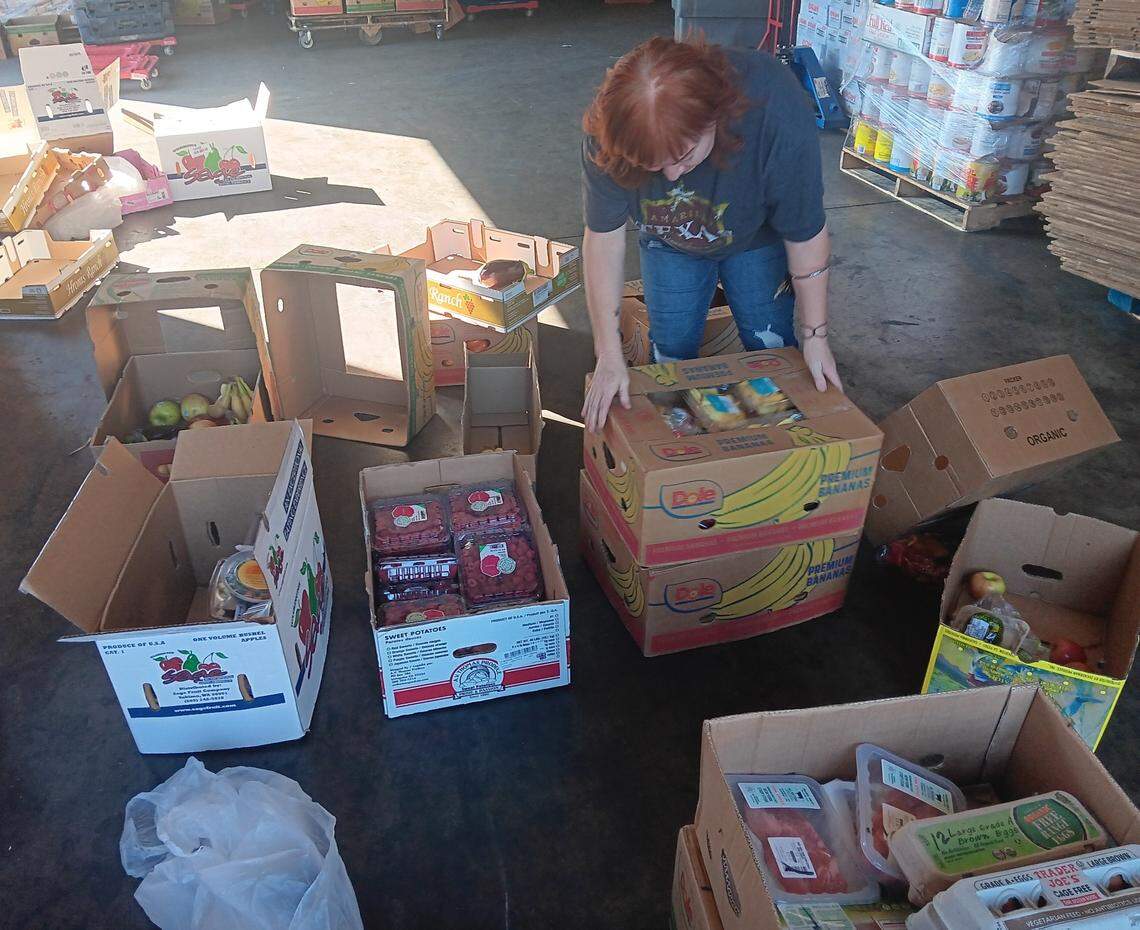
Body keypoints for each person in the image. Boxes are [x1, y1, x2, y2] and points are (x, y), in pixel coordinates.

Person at [579, 36, 841, 433]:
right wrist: (608, 353)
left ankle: (771, 453)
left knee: (770, 345)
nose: (669, 176)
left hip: (757, 235)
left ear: (714, 118)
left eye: (682, 157)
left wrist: (816, 336)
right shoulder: (610, 136)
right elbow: (603, 238)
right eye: (652, 165)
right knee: (671, 351)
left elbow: (806, 234)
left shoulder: (775, 107)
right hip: (669, 237)